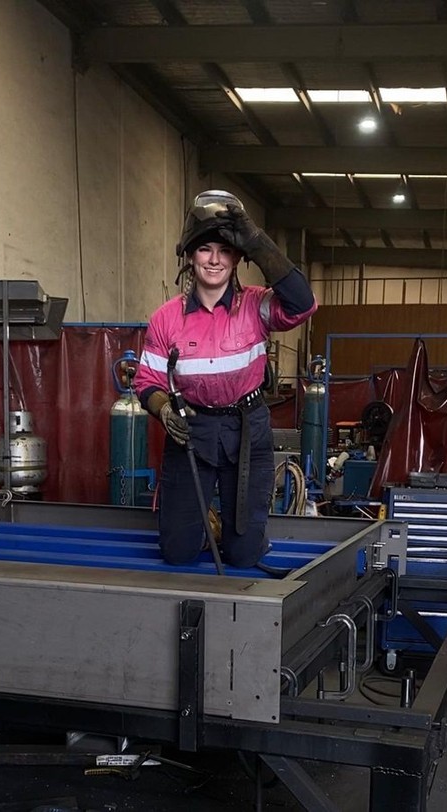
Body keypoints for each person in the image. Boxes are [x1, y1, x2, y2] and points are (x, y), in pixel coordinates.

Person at [133, 190, 317, 568]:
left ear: (236, 258)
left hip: (247, 430)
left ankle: (239, 536)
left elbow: (303, 303)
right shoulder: (166, 318)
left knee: (243, 556)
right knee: (178, 553)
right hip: (190, 432)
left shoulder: (258, 305)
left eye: (225, 250)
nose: (214, 259)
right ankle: (206, 529)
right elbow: (147, 380)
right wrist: (163, 408)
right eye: (205, 249)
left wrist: (257, 242)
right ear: (190, 256)